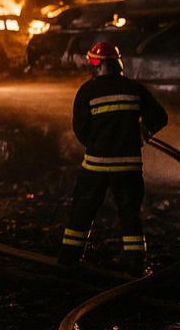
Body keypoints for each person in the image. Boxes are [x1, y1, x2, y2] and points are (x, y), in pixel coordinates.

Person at [58, 41, 168, 277]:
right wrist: (144, 132)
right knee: (130, 215)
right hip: (128, 166)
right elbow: (160, 117)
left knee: (82, 211)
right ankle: (136, 264)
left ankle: (69, 260)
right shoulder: (135, 88)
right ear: (118, 63)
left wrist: (98, 144)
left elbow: (80, 129)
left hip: (96, 165)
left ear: (95, 63)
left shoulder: (87, 91)